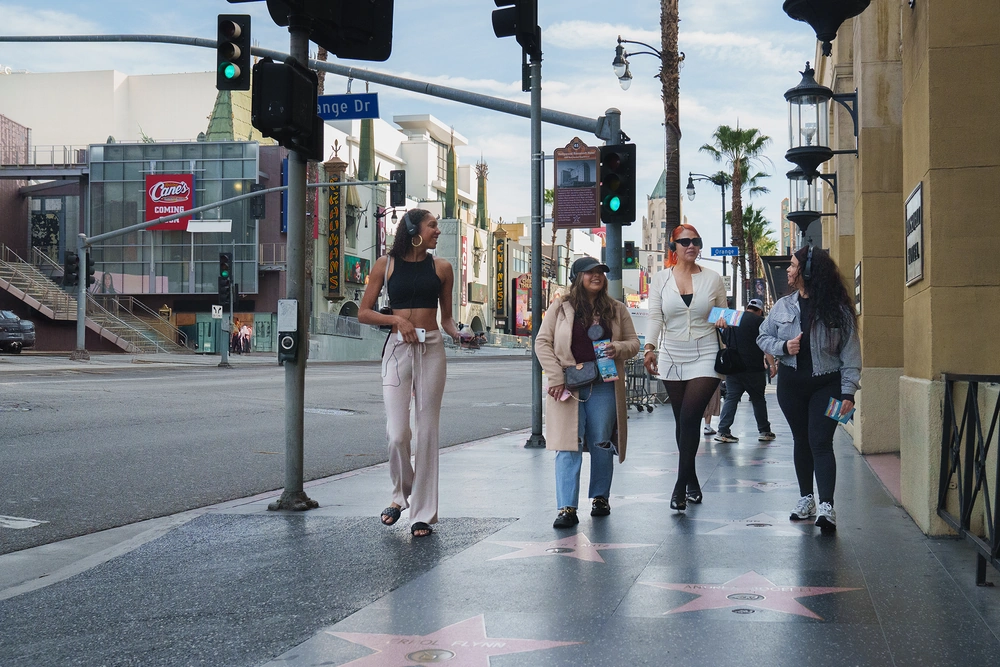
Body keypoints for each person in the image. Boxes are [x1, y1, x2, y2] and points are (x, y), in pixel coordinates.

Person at [358, 209, 461, 538]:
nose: (437, 231)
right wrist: (396, 321)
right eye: (433, 225)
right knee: (398, 433)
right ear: (414, 229)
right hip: (398, 349)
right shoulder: (384, 265)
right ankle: (400, 495)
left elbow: (447, 319)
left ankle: (423, 514)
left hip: (431, 348)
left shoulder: (442, 268)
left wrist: (461, 335)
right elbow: (363, 312)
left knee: (428, 432)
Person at [757, 246, 861, 532]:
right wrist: (783, 347)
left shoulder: (838, 310)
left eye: (793, 265)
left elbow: (851, 356)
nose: (789, 270)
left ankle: (826, 505)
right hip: (790, 385)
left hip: (827, 384)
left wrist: (848, 393)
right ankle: (806, 499)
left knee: (820, 441)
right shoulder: (782, 306)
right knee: (801, 440)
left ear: (808, 272)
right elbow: (762, 336)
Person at [534, 256, 639, 528]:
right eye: (590, 272)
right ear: (576, 277)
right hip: (568, 385)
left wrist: (618, 348)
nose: (597, 276)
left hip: (604, 384)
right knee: (567, 445)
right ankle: (566, 507)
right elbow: (542, 343)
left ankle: (600, 498)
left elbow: (634, 343)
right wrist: (555, 377)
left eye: (601, 272)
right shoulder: (561, 307)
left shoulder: (616, 309)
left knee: (602, 442)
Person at [644, 224, 728, 511]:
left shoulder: (713, 278)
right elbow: (655, 317)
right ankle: (692, 480)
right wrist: (649, 347)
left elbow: (724, 313)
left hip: (706, 350)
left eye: (696, 241)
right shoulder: (661, 279)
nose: (691, 246)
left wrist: (723, 319)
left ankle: (679, 487)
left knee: (691, 417)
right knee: (682, 421)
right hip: (671, 353)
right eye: (684, 242)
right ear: (673, 247)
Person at [714, 298, 778, 443]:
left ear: (748, 307)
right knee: (758, 400)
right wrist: (772, 365)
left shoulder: (733, 318)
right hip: (753, 369)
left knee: (731, 398)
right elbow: (765, 345)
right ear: (760, 310)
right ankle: (764, 431)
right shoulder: (759, 321)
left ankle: (723, 431)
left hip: (733, 367)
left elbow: (725, 341)